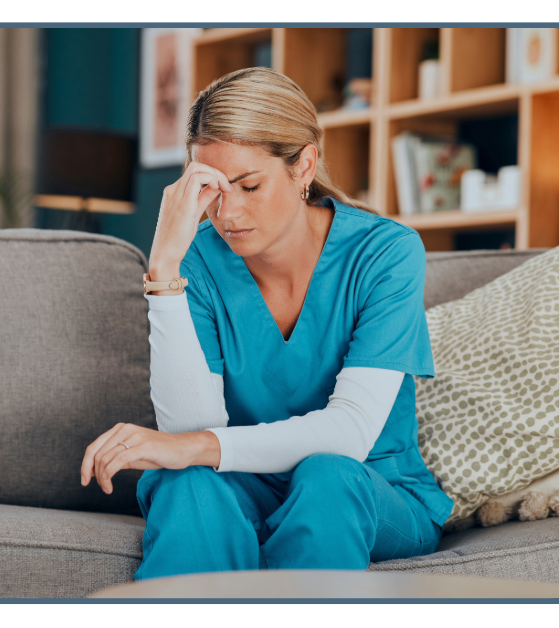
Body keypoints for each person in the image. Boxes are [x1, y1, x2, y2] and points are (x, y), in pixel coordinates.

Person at [78, 67, 453, 579]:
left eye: (249, 185)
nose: (227, 212)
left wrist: (195, 448)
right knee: (185, 481)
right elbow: (188, 431)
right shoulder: (197, 261)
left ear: (304, 165)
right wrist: (164, 269)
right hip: (245, 482)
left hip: (368, 485)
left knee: (326, 476)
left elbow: (348, 434)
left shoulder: (386, 253)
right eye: (210, 189)